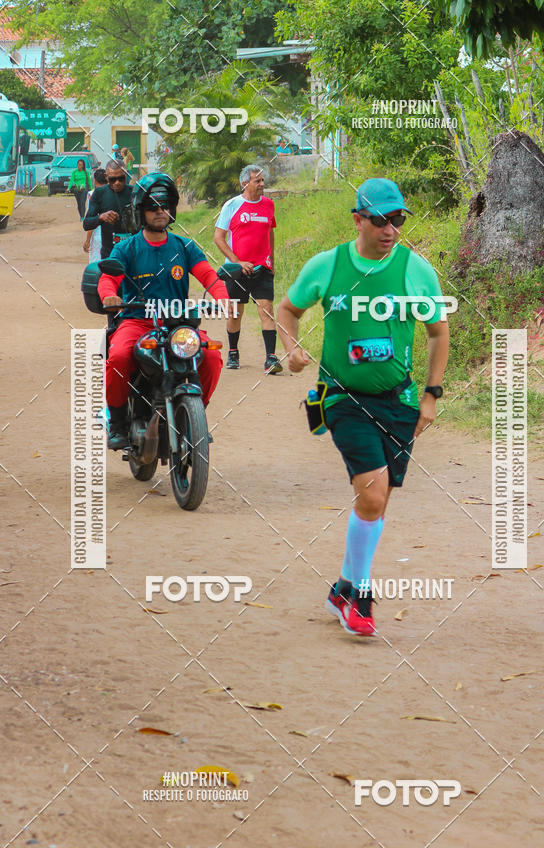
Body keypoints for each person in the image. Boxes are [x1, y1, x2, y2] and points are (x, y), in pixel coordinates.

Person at [277, 178, 450, 636]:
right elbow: (288, 309)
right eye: (380, 221)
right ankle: (360, 599)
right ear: (358, 220)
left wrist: (431, 395)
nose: (390, 229)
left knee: (377, 501)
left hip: (400, 401)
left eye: (398, 220)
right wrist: (292, 348)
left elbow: (438, 332)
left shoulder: (415, 270)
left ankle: (342, 587)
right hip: (342, 397)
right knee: (372, 495)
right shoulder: (328, 265)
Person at [98, 172, 228, 450]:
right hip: (137, 322)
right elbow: (108, 279)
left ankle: (194, 417)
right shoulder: (126, 248)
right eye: (153, 206)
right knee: (119, 356)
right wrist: (109, 295)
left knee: (211, 356)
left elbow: (209, 276)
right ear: (141, 211)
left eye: (165, 206)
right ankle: (118, 422)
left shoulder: (185, 246)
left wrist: (222, 298)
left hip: (177, 325)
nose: (160, 211)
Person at [214, 164, 282, 374]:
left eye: (262, 180)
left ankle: (271, 358)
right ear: (245, 183)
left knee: (267, 309)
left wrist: (271, 261)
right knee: (235, 313)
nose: (262, 184)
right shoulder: (232, 205)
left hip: (262, 268)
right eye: (257, 181)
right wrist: (237, 262)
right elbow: (218, 238)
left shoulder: (269, 204)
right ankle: (233, 351)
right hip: (237, 271)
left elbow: (270, 232)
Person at [83, 159, 135, 259]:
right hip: (109, 255)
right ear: (106, 177)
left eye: (121, 178)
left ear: (126, 175)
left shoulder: (134, 193)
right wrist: (101, 217)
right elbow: (86, 224)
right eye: (112, 179)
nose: (117, 183)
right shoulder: (99, 193)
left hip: (133, 253)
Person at [82, 167, 107, 262]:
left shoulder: (92, 195)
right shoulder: (112, 193)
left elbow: (91, 221)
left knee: (96, 264)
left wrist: (88, 240)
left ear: (95, 181)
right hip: (111, 235)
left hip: (98, 235)